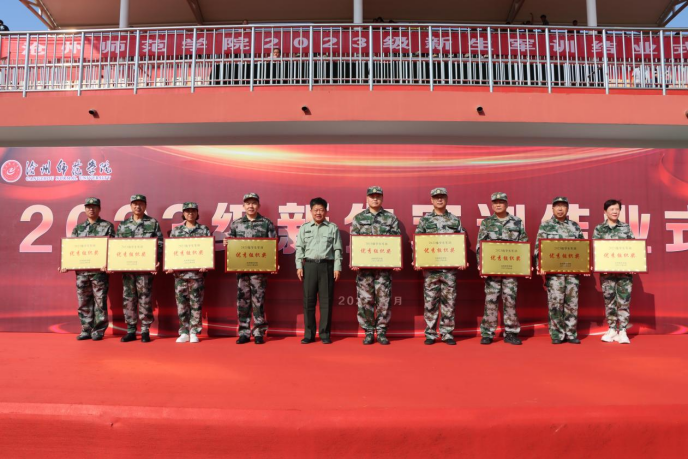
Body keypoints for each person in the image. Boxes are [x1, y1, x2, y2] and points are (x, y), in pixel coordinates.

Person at [414, 188, 467, 345]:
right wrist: (416, 260)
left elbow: (461, 241)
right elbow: (417, 242)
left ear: (447, 199)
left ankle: (447, 333)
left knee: (449, 302)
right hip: (431, 270)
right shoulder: (425, 220)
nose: (439, 200)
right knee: (430, 302)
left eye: (442, 197)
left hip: (449, 270)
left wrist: (462, 259)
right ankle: (430, 334)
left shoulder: (454, 220)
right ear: (431, 200)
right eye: (436, 197)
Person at [224, 193, 277, 345]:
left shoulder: (266, 223)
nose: (251, 206)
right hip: (241, 270)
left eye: (254, 203)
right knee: (243, 301)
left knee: (258, 300)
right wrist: (227, 243)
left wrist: (273, 263)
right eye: (248, 203)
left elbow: (273, 244)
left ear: (258, 205)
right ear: (243, 206)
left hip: (259, 271)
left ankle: (259, 332)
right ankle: (244, 332)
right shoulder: (236, 224)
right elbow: (231, 244)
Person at [351, 186, 401, 345]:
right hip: (364, 270)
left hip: (383, 270)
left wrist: (396, 261)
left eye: (378, 196)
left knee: (383, 301)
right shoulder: (359, 218)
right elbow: (354, 242)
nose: (375, 199)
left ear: (382, 198)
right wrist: (354, 261)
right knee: (365, 301)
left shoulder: (390, 218)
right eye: (372, 196)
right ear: (367, 198)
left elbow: (396, 241)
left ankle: (381, 332)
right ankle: (368, 332)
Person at [59, 197, 115, 341]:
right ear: (85, 209)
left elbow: (113, 248)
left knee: (100, 302)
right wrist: (66, 264)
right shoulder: (78, 228)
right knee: (83, 301)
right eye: (88, 207)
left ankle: (98, 330)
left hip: (99, 273)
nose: (91, 209)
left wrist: (109, 263)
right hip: (82, 273)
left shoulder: (107, 226)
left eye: (94, 206)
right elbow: (72, 250)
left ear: (99, 209)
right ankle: (86, 329)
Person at [477, 192, 528, 345]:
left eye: (501, 202)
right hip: (492, 270)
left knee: (510, 300)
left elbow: (523, 244)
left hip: (511, 270)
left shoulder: (517, 222)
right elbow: (480, 245)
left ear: (506, 204)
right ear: (492, 205)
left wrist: (525, 266)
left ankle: (511, 333)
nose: (498, 204)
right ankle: (488, 333)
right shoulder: (487, 223)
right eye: (495, 202)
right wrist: (481, 265)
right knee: (491, 300)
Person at [534, 197, 584, 344]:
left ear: (567, 209)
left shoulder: (574, 226)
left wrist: (584, 265)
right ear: (552, 209)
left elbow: (582, 248)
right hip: (554, 274)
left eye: (563, 206)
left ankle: (571, 333)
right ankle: (557, 334)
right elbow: (538, 248)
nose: (560, 209)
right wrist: (540, 265)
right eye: (557, 206)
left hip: (572, 273)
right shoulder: (546, 226)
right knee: (555, 303)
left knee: (572, 303)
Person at [115, 195, 163, 343]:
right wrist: (115, 263)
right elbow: (117, 246)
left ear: (145, 205)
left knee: (145, 298)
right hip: (128, 270)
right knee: (128, 299)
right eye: (135, 204)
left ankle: (145, 330)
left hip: (145, 270)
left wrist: (156, 261)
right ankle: (131, 330)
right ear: (131, 206)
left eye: (141, 204)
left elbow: (159, 244)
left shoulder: (152, 223)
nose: (138, 206)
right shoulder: (123, 225)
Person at [295, 197, 343, 344]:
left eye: (321, 210)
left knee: (326, 302)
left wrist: (337, 267)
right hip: (309, 266)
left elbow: (338, 249)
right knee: (308, 301)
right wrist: (299, 266)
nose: (318, 212)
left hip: (326, 266)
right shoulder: (304, 228)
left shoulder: (332, 228)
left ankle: (325, 334)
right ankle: (309, 334)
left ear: (326, 211)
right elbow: (299, 248)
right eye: (315, 210)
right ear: (311, 211)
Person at [167, 202, 210, 344]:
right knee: (182, 305)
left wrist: (206, 264)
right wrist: (170, 266)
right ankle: (184, 331)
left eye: (193, 211)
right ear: (183, 214)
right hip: (180, 275)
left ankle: (194, 332)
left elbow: (207, 251)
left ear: (197, 213)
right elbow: (171, 251)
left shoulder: (204, 230)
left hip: (197, 275)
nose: (190, 213)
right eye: (187, 211)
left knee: (196, 304)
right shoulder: (176, 231)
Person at [592, 199, 635, 344]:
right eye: (612, 209)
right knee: (609, 300)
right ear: (605, 211)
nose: (615, 212)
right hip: (607, 273)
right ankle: (611, 329)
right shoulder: (599, 229)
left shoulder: (626, 228)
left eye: (617, 209)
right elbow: (595, 249)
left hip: (624, 273)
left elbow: (634, 247)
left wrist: (634, 265)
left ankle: (622, 330)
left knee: (624, 301)